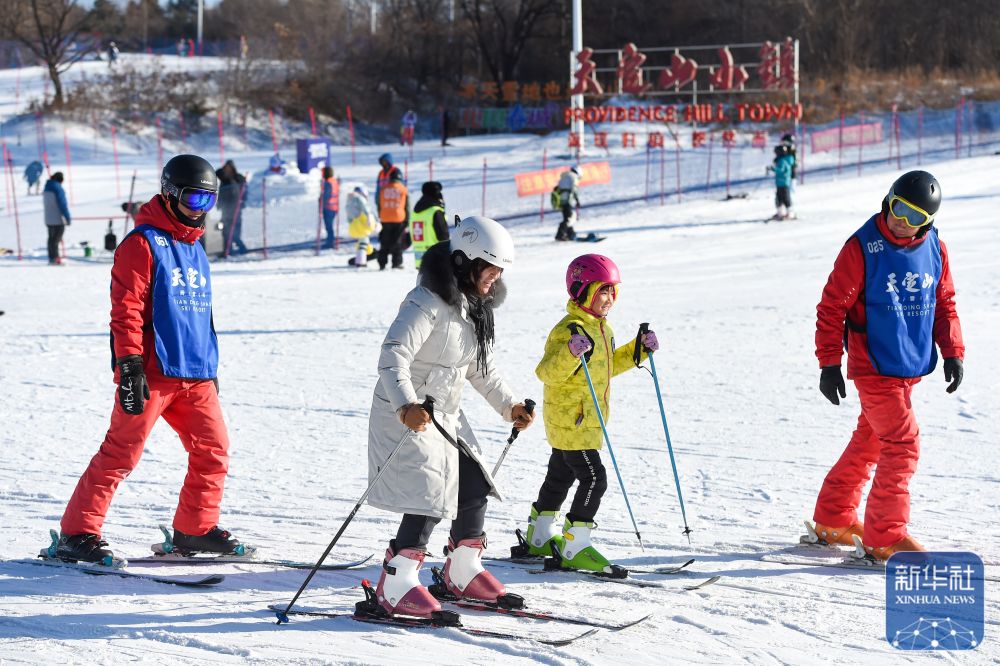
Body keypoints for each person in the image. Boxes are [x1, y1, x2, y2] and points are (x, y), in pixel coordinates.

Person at [53, 154, 244, 563]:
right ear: (170, 194)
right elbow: (125, 311)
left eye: (208, 200)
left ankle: (194, 530)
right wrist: (129, 366)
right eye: (193, 198)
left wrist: (209, 366)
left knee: (214, 451)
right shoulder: (141, 244)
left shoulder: (195, 248)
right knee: (121, 453)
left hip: (195, 374)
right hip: (152, 373)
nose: (200, 209)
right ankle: (77, 532)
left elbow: (201, 315)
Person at [366, 215, 534, 618]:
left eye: (499, 270)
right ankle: (397, 581)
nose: (495, 277)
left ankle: (462, 570)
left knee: (474, 482)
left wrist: (509, 405)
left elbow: (480, 369)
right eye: (489, 268)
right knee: (430, 493)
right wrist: (405, 406)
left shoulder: (474, 307)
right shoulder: (425, 301)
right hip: (407, 412)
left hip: (444, 415)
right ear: (464, 261)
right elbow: (392, 356)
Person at [809, 170, 964, 561]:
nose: (902, 221)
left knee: (871, 440)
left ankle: (833, 518)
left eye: (915, 217)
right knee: (902, 443)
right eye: (898, 209)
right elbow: (832, 308)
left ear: (927, 222)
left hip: (906, 364)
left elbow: (945, 303)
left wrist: (952, 351)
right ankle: (885, 538)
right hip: (874, 366)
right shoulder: (862, 248)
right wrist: (830, 363)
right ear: (887, 201)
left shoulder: (935, 248)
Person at [519, 254, 657, 573]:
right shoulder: (568, 330)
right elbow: (547, 373)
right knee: (595, 478)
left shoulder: (602, 329)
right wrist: (570, 352)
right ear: (582, 291)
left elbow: (606, 368)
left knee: (560, 476)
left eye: (612, 291)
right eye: (601, 290)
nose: (608, 298)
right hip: (573, 422)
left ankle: (540, 536)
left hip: (582, 422)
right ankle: (575, 545)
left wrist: (639, 349)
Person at [410, 181, 449, 269]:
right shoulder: (435, 211)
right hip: (436, 260)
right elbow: (443, 236)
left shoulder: (415, 212)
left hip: (420, 260)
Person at [377, 169, 409, 270]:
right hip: (399, 218)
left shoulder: (383, 189)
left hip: (385, 218)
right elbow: (407, 206)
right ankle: (396, 263)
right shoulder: (403, 189)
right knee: (397, 241)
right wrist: (407, 219)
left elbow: (379, 204)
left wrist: (381, 215)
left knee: (384, 241)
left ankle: (382, 263)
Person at [216, 160, 248, 256]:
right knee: (225, 231)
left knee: (234, 232)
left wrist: (242, 202)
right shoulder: (224, 181)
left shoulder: (235, 179)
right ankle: (227, 250)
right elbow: (222, 194)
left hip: (235, 211)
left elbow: (241, 194)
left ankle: (242, 248)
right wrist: (220, 204)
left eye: (229, 168)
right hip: (226, 211)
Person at [346, 185, 378, 267]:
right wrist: (370, 218)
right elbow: (367, 209)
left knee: (362, 242)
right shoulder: (360, 199)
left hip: (353, 226)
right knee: (363, 242)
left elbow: (349, 216)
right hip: (362, 225)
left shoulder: (349, 200)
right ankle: (361, 261)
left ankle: (361, 258)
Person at [43, 172, 71, 265]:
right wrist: (67, 217)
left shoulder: (47, 186)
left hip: (48, 218)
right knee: (56, 239)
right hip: (57, 219)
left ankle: (51, 258)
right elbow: (62, 204)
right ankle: (55, 259)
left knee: (51, 239)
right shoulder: (58, 188)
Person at [769, 141, 796, 220]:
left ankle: (790, 212)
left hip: (784, 183)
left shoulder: (783, 161)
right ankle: (780, 212)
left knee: (785, 198)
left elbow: (781, 170)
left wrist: (773, 169)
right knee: (779, 198)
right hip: (780, 183)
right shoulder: (782, 160)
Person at [553, 165, 580, 241]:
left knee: (567, 217)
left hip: (561, 200)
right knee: (569, 218)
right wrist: (577, 200)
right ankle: (560, 235)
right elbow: (574, 189)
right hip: (568, 200)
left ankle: (570, 234)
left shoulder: (564, 177)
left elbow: (557, 188)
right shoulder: (574, 177)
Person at [320, 166, 340, 250]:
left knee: (329, 226)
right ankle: (330, 239)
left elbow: (326, 196)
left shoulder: (328, 183)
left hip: (328, 206)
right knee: (330, 225)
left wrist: (320, 201)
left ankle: (330, 242)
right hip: (334, 206)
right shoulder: (334, 181)